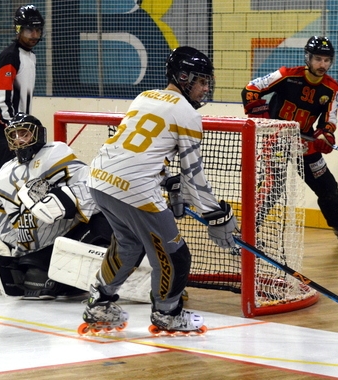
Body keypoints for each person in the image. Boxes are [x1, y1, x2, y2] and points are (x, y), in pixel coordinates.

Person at [82, 46, 237, 334]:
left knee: (128, 245)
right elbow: (194, 175)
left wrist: (167, 179)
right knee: (174, 255)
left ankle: (98, 303)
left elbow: (141, 148)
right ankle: (167, 314)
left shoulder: (145, 97)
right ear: (183, 76)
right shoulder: (187, 113)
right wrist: (216, 214)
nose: (205, 88)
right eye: (201, 81)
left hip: (99, 178)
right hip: (134, 188)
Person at [241, 36, 338, 246]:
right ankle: (247, 233)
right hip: (277, 138)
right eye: (318, 59)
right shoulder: (285, 75)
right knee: (273, 186)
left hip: (304, 143)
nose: (323, 64)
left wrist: (325, 135)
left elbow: (330, 120)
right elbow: (251, 90)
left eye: (327, 60)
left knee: (327, 186)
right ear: (307, 58)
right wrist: (262, 116)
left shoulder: (332, 89)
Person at [0, 114, 113, 300]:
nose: (18, 139)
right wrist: (3, 252)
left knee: (106, 221)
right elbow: (3, 225)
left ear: (38, 134)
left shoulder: (54, 153)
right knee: (35, 278)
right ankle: (41, 269)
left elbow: (93, 189)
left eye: (24, 133)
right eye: (13, 135)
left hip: (66, 238)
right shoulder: (2, 175)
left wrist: (65, 199)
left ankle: (112, 268)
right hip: (30, 252)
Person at [0, 4, 45, 260]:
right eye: (30, 30)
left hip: (16, 129)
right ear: (19, 29)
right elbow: (1, 100)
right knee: (5, 178)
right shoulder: (10, 56)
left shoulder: (30, 57)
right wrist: (14, 130)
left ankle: (14, 233)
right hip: (0, 127)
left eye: (38, 30)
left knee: (19, 178)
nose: (35, 35)